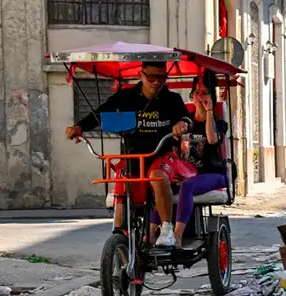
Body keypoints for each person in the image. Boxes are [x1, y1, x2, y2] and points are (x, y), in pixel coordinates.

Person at [66, 61, 192, 248]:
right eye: (151, 77)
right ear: (141, 75)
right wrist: (80, 127)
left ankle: (167, 228)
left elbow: (186, 119)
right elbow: (101, 114)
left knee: (157, 176)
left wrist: (182, 124)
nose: (156, 82)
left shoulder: (172, 99)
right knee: (121, 180)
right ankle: (119, 231)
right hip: (133, 156)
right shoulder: (126, 97)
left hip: (162, 155)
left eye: (161, 78)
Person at [152, 72, 229, 247]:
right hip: (185, 173)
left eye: (204, 93)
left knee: (188, 186)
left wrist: (209, 111)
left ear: (212, 96)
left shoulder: (219, 123)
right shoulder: (185, 123)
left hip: (212, 173)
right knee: (159, 184)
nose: (200, 97)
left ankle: (177, 236)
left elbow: (212, 139)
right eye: (196, 92)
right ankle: (150, 234)